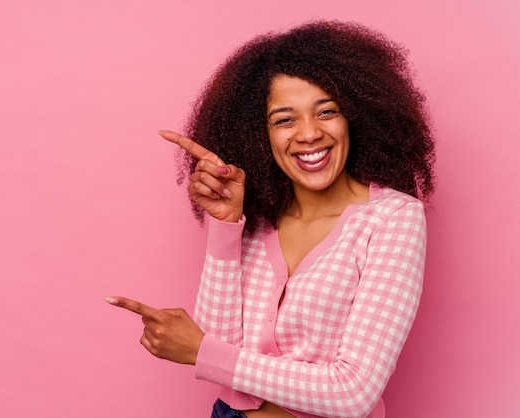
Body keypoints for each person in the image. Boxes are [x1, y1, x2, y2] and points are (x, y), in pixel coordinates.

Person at [106, 20, 435, 418]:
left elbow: (352, 393)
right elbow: (221, 343)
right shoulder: (258, 217)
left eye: (326, 111)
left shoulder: (392, 219)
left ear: (355, 116)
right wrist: (226, 224)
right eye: (285, 119)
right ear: (258, 135)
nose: (309, 133)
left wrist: (201, 352)